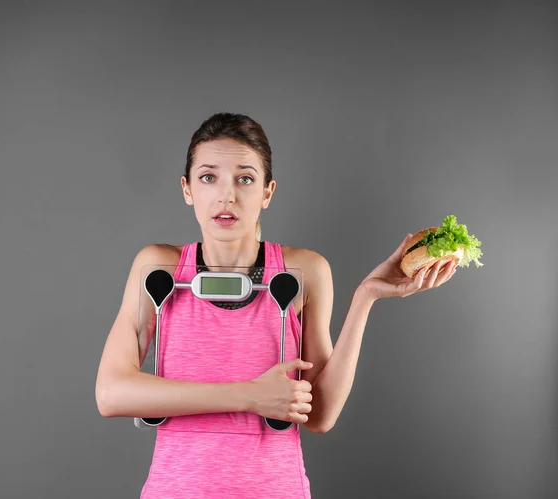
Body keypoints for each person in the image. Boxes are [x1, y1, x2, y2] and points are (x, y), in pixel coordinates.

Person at [95, 112, 457, 498]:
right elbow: (112, 393)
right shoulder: (158, 269)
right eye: (208, 177)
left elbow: (320, 415)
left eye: (245, 179)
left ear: (267, 192)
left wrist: (364, 298)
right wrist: (249, 395)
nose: (227, 195)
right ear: (187, 189)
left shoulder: (305, 272)